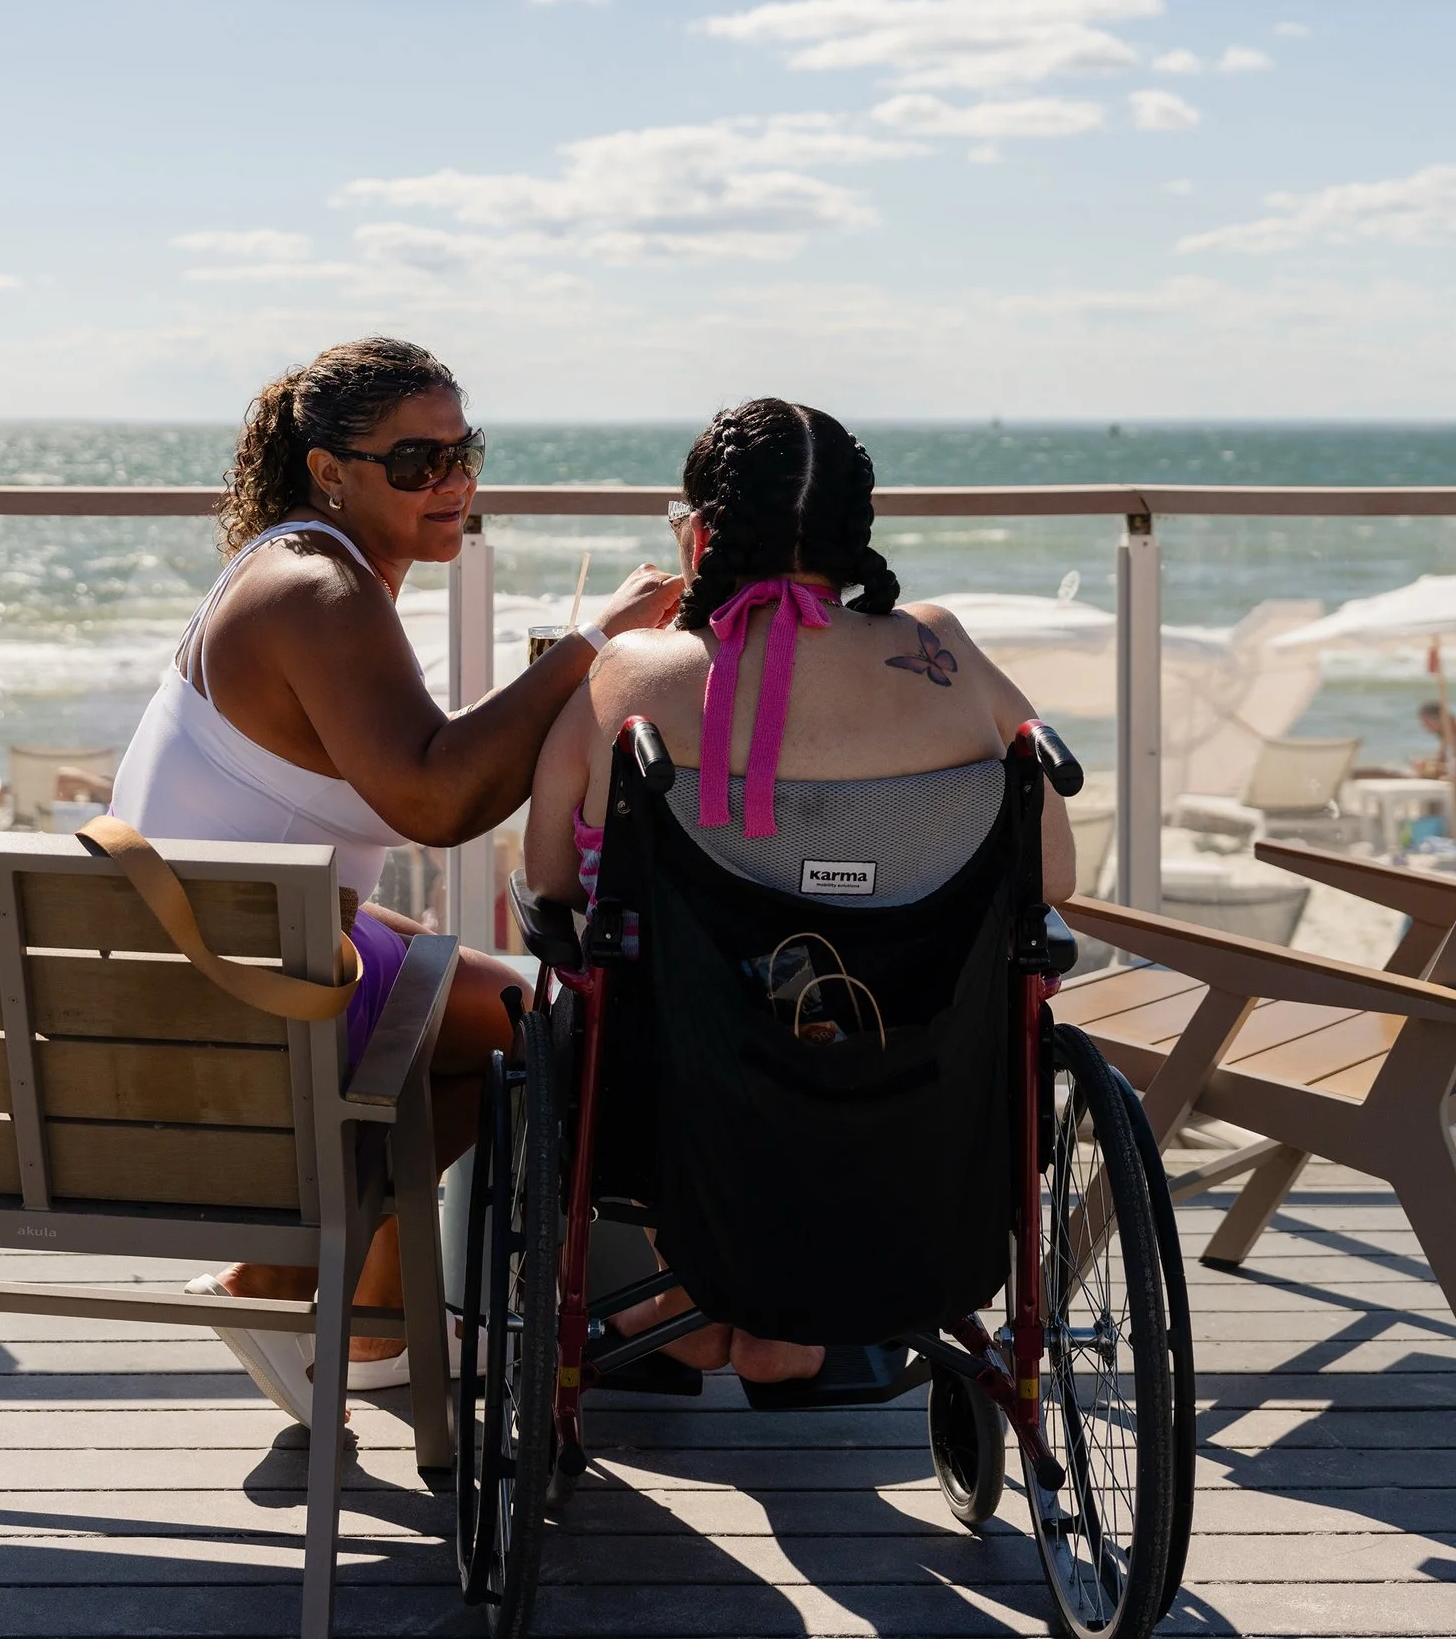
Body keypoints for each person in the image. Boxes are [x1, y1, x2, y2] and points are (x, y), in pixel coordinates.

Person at [105, 338, 682, 1422]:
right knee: (531, 1019)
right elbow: (437, 800)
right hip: (230, 994)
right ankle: (342, 1306)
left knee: (455, 996)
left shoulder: (299, 567)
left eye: (464, 452)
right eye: (417, 462)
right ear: (332, 468)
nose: (453, 481)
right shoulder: (319, 590)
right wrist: (594, 646)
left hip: (195, 954)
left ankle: (323, 1301)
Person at [524, 398, 1075, 1383]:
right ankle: (793, 1325)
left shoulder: (633, 677)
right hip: (916, 1063)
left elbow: (548, 881)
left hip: (681, 1087)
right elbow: (1054, 874)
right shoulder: (941, 652)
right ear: (854, 532)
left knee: (640, 981)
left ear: (700, 531)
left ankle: (687, 1299)